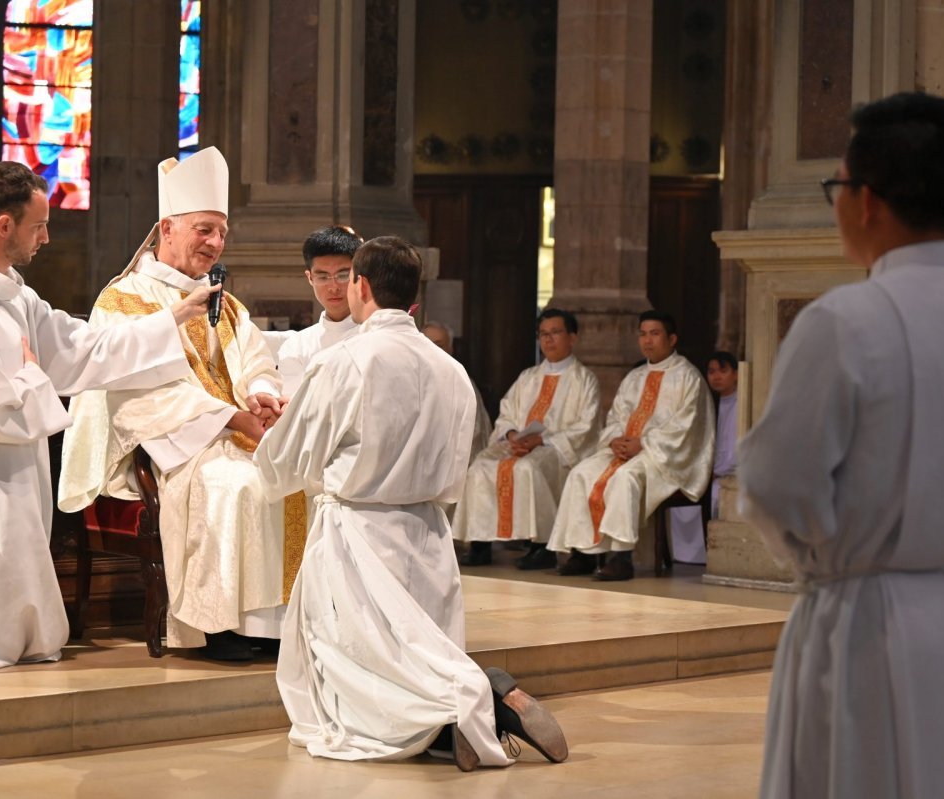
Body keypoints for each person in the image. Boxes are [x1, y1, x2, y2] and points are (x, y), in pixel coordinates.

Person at [738, 93, 944, 798]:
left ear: (868, 199)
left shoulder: (846, 320)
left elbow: (774, 482)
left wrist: (822, 556)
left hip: (869, 627)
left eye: (838, 188)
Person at [253, 236, 567, 770]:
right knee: (419, 649)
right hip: (428, 534)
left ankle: (479, 698)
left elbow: (287, 458)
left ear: (362, 285)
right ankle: (476, 707)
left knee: (358, 670)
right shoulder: (450, 370)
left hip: (357, 533)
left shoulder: (347, 360)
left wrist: (271, 442)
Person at [0, 161, 215, 674]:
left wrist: (172, 319)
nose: (48, 238)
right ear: (5, 226)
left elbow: (84, 349)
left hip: (20, 461)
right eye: (39, 226)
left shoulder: (18, 296)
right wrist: (34, 383)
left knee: (18, 560)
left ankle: (16, 643)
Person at [58, 147, 293, 661]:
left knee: (291, 480)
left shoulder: (224, 301)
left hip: (234, 434)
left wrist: (263, 396)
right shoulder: (124, 299)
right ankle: (218, 628)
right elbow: (137, 391)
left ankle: (272, 626)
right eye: (204, 229)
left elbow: (256, 358)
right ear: (167, 229)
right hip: (173, 447)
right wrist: (233, 418)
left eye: (222, 232)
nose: (216, 243)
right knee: (235, 486)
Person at [546, 311, 714, 581]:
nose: (647, 340)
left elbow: (687, 428)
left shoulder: (688, 377)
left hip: (666, 458)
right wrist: (616, 440)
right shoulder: (634, 377)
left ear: (672, 339)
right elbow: (616, 417)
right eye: (643, 334)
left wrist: (643, 444)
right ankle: (583, 553)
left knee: (625, 478)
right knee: (581, 472)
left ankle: (621, 557)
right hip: (625, 450)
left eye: (655, 333)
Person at [453, 308, 601, 568]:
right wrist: (511, 434)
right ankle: (479, 544)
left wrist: (542, 441)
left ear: (573, 337)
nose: (548, 340)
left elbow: (586, 428)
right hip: (516, 445)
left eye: (555, 333)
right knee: (479, 468)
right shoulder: (528, 377)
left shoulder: (584, 380)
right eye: (543, 334)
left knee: (527, 468)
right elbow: (507, 413)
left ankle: (541, 546)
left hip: (556, 450)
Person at [272, 225, 364, 395]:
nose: (333, 287)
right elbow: (292, 407)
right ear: (310, 278)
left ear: (358, 275)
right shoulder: (297, 346)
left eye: (343, 275)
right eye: (323, 277)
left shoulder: (374, 336)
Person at [669, 351, 739, 564]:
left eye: (723, 371)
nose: (716, 376)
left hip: (731, 474)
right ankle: (684, 555)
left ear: (736, 374)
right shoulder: (709, 403)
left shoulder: (744, 403)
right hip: (708, 472)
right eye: (711, 372)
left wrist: (717, 471)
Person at [423, 320, 493, 462]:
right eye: (425, 344)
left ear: (450, 349)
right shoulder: (408, 380)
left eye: (438, 345)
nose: (431, 350)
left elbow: (474, 432)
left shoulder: (462, 384)